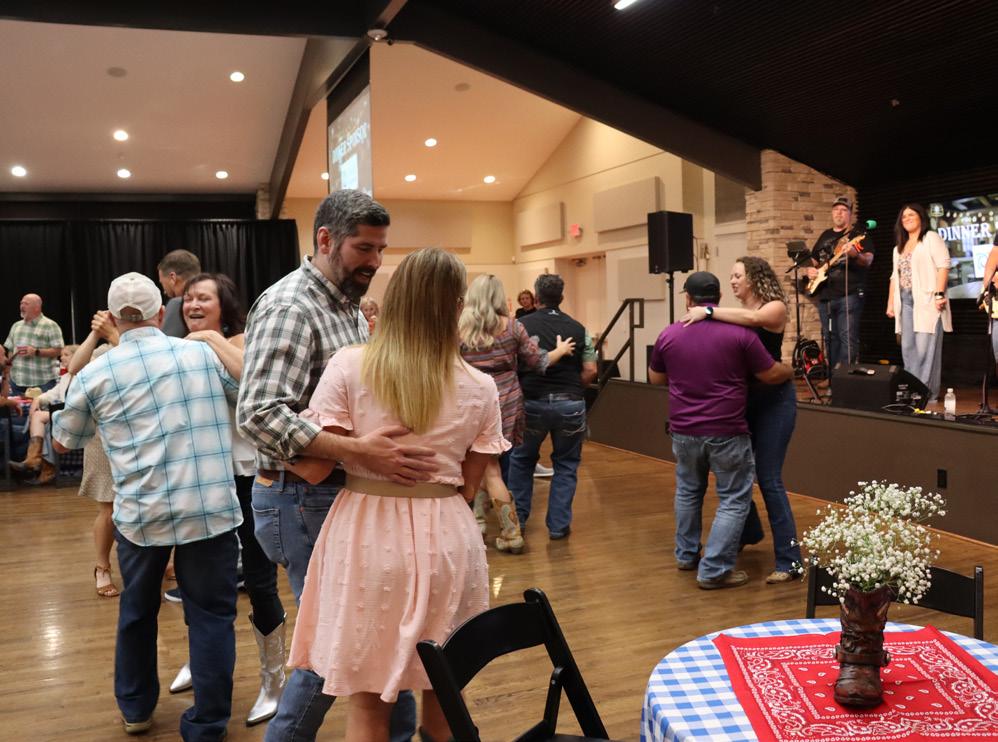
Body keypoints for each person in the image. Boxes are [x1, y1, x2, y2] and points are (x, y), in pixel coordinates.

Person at [286, 247, 504, 742]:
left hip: (367, 533)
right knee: (446, 692)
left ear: (395, 298)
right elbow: (469, 485)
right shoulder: (480, 386)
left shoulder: (349, 366)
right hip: (447, 537)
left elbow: (315, 468)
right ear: (456, 306)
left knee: (367, 703)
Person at [238, 189, 431, 742]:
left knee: (378, 634)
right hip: (300, 498)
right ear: (325, 239)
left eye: (381, 249)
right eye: (364, 248)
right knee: (330, 644)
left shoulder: (344, 304)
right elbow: (258, 414)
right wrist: (358, 450)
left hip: (327, 495)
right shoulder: (292, 307)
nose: (376, 261)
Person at [52, 272, 241, 740]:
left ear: (113, 318)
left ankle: (136, 709)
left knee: (137, 613)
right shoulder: (200, 355)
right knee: (211, 618)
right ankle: (209, 724)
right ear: (161, 313)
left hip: (141, 515)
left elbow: (64, 440)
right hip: (209, 508)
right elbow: (246, 394)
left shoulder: (96, 373)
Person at [166, 273, 287, 726]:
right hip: (203, 478)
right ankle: (201, 661)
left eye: (204, 298)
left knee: (259, 581)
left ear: (224, 306)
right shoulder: (181, 349)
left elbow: (253, 386)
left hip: (250, 477)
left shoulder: (242, 341)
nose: (193, 304)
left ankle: (274, 680)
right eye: (188, 298)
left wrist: (211, 339)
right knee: (198, 580)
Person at [649, 272, 793, 589]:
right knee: (733, 499)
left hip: (684, 430)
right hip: (727, 429)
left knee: (688, 492)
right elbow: (770, 375)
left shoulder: (669, 334)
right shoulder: (740, 335)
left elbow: (656, 379)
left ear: (688, 299)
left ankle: (687, 556)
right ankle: (714, 569)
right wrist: (790, 370)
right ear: (718, 299)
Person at [681, 257, 803, 583]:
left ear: (754, 278)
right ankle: (748, 532)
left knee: (769, 478)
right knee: (736, 474)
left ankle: (790, 561)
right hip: (743, 401)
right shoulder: (732, 314)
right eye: (731, 276)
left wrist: (707, 311)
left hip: (774, 402)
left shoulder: (774, 307)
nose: (733, 281)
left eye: (738, 275)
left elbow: (754, 319)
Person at [459, 274, 575, 553]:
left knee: (483, 465)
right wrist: (560, 350)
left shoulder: (459, 328)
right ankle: (493, 526)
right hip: (507, 401)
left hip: (469, 399)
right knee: (490, 464)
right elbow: (538, 361)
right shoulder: (512, 326)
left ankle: (494, 528)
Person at [507, 274, 597, 540]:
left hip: (531, 402)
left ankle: (518, 521)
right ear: (562, 297)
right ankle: (558, 526)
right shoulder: (579, 328)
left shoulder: (520, 326)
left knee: (522, 461)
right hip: (570, 404)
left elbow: (512, 365)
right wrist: (574, 389)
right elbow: (591, 370)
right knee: (566, 464)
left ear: (536, 298)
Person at [886, 203, 952, 402]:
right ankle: (912, 389)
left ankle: (924, 394)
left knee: (925, 349)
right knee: (908, 348)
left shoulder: (930, 238)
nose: (907, 218)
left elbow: (943, 266)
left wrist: (939, 294)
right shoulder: (899, 247)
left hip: (927, 300)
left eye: (911, 215)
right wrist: (890, 303)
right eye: (904, 216)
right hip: (905, 301)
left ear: (921, 218)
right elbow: (894, 277)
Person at [805, 196, 875, 368]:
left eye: (843, 210)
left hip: (849, 294)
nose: (839, 213)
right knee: (830, 338)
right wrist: (810, 270)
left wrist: (855, 254)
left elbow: (868, 260)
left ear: (850, 214)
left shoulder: (858, 235)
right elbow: (814, 260)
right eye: (836, 209)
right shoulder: (825, 235)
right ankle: (833, 376)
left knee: (847, 337)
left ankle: (846, 376)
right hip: (826, 295)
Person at [9, 344, 78, 484]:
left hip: (79, 416)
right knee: (42, 422)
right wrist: (37, 399)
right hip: (66, 415)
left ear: (77, 356)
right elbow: (51, 394)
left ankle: (35, 461)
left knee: (38, 416)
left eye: (66, 355)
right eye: (61, 355)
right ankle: (40, 464)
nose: (61, 358)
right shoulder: (66, 378)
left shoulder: (84, 375)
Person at [2, 293, 65, 396]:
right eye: (21, 303)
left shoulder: (50, 325)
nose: (22, 306)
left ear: (37, 307)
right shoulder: (16, 326)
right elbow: (10, 350)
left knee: (39, 407)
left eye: (26, 304)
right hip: (16, 383)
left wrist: (36, 352)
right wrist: (8, 373)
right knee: (15, 407)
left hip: (42, 384)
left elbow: (59, 350)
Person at [158, 249, 202, 338]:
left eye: (162, 283)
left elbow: (166, 344)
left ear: (172, 278)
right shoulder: (218, 299)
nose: (164, 291)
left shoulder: (177, 303)